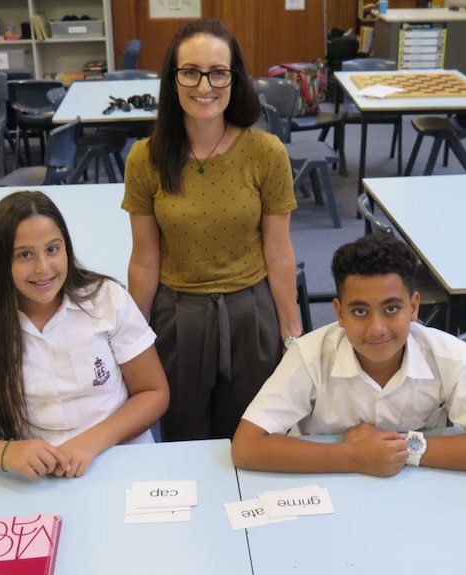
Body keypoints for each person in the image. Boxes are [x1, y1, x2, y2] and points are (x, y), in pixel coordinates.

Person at [122, 18, 300, 441]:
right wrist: (130, 338)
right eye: (190, 72)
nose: (205, 85)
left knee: (250, 439)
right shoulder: (145, 157)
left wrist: (293, 335)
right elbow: (145, 259)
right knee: (183, 438)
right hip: (178, 317)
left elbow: (278, 252)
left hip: (251, 314)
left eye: (218, 72)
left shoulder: (266, 152)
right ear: (173, 78)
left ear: (234, 79)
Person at [0, 191, 169, 481]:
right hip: (27, 477)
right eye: (24, 255)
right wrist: (3, 453)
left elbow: (153, 392)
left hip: (116, 456)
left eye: (52, 249)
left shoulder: (105, 299)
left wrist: (93, 441)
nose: (42, 268)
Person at [231, 234, 466, 477]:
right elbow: (246, 447)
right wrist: (355, 456)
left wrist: (404, 447)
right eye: (360, 311)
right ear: (339, 313)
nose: (377, 328)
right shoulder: (309, 356)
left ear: (414, 307)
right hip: (328, 485)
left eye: (392, 309)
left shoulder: (449, 356)